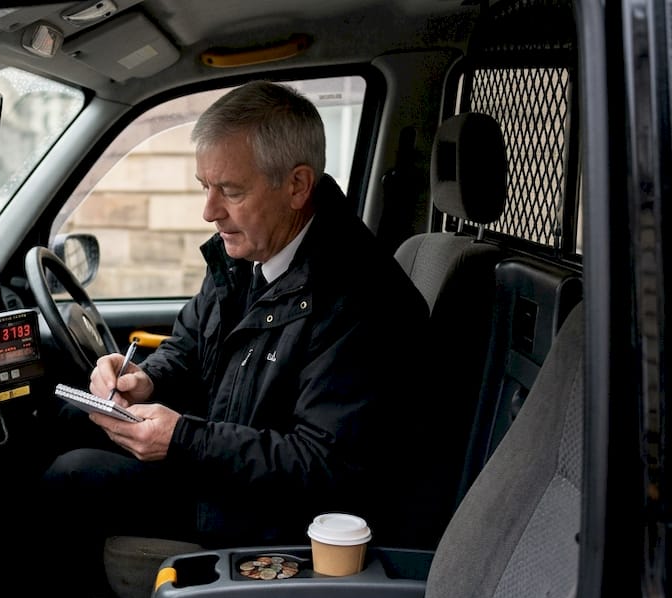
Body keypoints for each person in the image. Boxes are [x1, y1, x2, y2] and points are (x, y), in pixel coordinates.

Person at [36, 80, 430, 571]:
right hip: (230, 475)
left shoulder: (361, 298)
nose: (209, 211)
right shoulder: (250, 250)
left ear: (297, 186)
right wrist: (147, 379)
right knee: (68, 419)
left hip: (277, 520)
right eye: (205, 187)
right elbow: (190, 343)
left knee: (71, 477)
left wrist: (184, 441)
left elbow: (326, 465)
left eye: (231, 191)